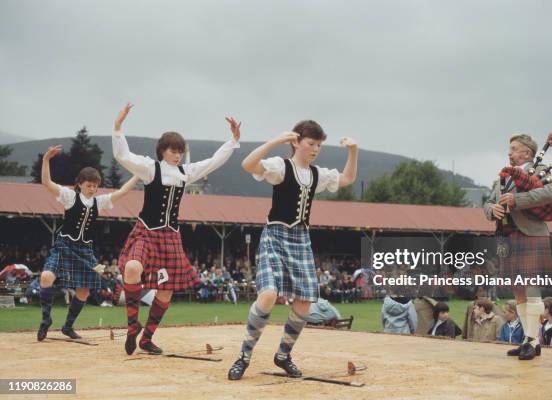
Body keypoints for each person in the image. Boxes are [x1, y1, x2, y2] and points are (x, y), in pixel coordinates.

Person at [227, 120, 358, 380]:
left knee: (305, 303)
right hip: (275, 235)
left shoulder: (317, 174)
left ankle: (283, 356)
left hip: (301, 238)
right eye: (311, 144)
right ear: (296, 142)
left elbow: (347, 179)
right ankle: (244, 356)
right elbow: (248, 165)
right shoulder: (280, 167)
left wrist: (353, 152)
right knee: (268, 296)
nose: (316, 149)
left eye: (319, 145)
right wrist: (275, 141)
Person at [112, 102, 241, 355]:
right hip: (146, 230)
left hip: (170, 236)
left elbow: (213, 162)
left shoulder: (185, 173)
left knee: (166, 289)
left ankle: (146, 338)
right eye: (173, 150)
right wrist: (118, 127)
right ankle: (131, 326)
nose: (177, 154)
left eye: (180, 150)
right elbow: (122, 156)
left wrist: (233, 140)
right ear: (162, 150)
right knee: (132, 267)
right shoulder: (150, 168)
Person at [37, 144, 138, 341]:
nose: (92, 189)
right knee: (46, 277)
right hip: (64, 245)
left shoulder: (99, 202)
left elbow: (123, 191)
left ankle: (68, 327)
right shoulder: (69, 196)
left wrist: (138, 173)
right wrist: (46, 160)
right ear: (80, 184)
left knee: (84, 290)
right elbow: (47, 182)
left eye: (95, 185)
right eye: (89, 185)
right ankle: (45, 320)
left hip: (84, 249)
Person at [484, 133, 552, 360]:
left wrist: (517, 201)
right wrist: (491, 210)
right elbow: (488, 201)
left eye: (514, 148)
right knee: (518, 291)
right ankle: (527, 339)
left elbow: (548, 194)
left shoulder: (540, 168)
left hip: (531, 234)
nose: (510, 152)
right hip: (508, 236)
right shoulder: (504, 175)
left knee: (532, 288)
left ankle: (533, 341)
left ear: (528, 152)